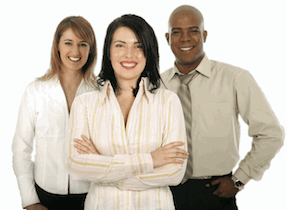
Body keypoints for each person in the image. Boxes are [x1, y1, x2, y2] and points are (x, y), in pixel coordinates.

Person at [161, 5, 285, 210]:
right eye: (177, 32)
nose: (185, 38)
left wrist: (240, 179)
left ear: (204, 35)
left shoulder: (235, 78)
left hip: (215, 193)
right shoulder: (157, 85)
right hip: (165, 193)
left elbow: (271, 133)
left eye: (193, 30)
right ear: (167, 38)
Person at [66, 14, 188, 210]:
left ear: (149, 52)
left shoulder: (168, 101)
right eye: (120, 45)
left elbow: (174, 172)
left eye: (138, 46)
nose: (129, 54)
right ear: (108, 52)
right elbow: (77, 166)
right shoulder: (85, 104)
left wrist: (104, 167)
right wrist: (151, 159)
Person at [12, 16, 97, 210]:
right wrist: (30, 201)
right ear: (57, 45)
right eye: (68, 43)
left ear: (90, 49)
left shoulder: (101, 92)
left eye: (83, 44)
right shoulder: (35, 91)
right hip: (45, 197)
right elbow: (21, 148)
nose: (75, 51)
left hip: (92, 197)